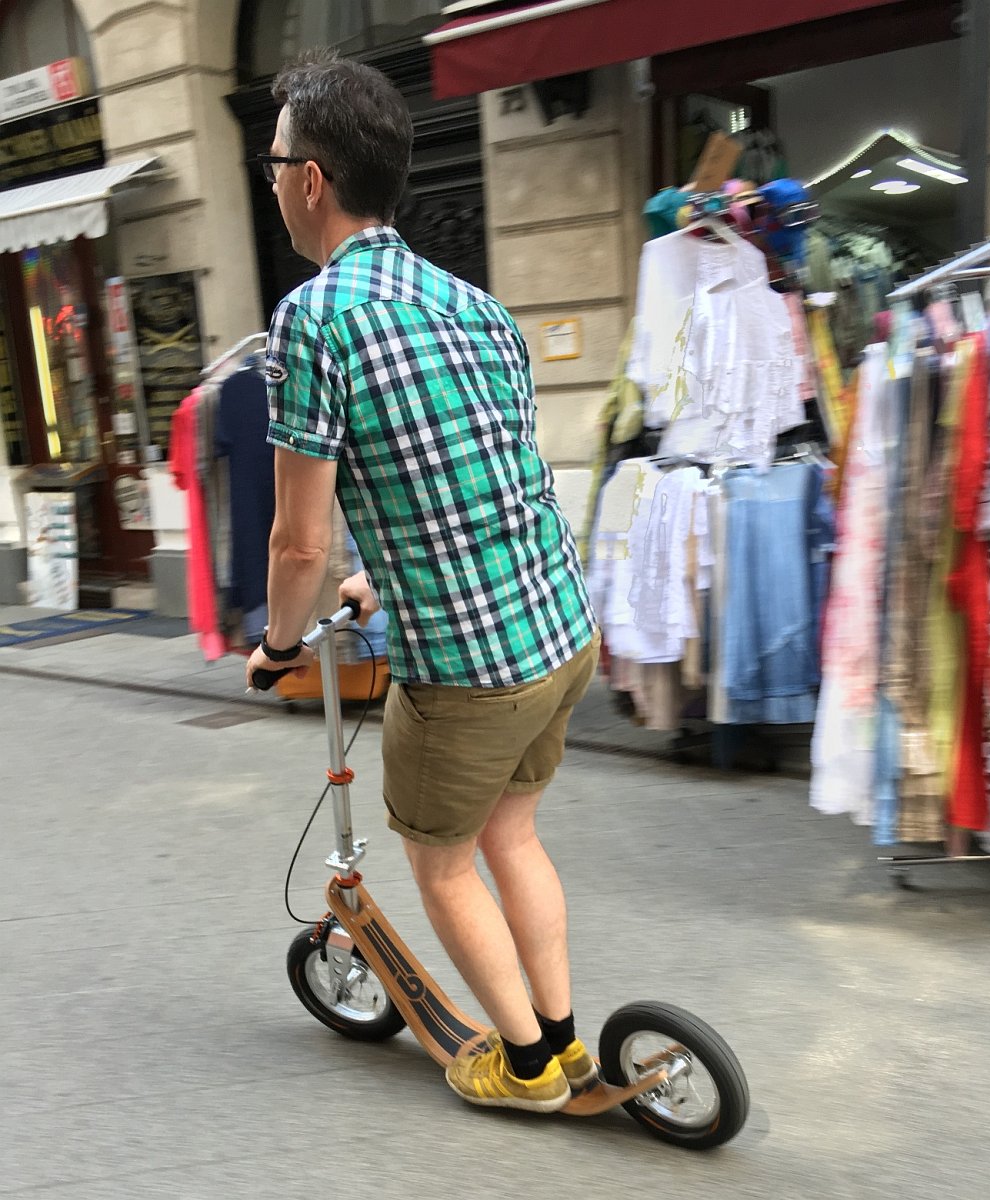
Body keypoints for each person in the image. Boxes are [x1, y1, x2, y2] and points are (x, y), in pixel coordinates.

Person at [245, 48, 600, 1114]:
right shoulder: (475, 305)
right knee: (514, 833)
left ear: (311, 178)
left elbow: (297, 544)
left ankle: (525, 1069)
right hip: (558, 630)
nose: (271, 182)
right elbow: (481, 486)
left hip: (469, 671)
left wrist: (275, 645)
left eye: (273, 163)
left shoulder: (315, 317)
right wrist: (377, 585)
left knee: (440, 859)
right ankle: (568, 1040)